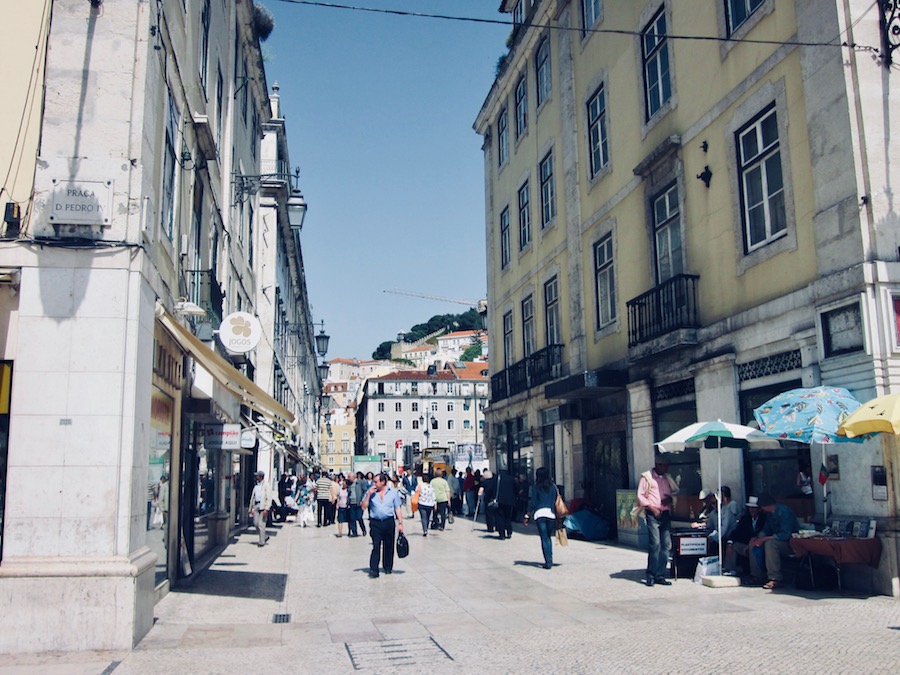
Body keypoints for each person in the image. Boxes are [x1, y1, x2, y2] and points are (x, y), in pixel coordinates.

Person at [636, 458, 679, 587]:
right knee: (655, 544)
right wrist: (653, 509)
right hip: (653, 513)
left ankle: (660, 575)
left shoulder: (667, 478)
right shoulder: (647, 477)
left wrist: (669, 500)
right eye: (664, 466)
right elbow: (640, 496)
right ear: (658, 465)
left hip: (665, 513)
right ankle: (651, 574)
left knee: (666, 545)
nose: (666, 468)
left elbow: (674, 492)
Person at [749, 492, 800, 589]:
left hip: (790, 543)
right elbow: (766, 529)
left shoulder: (784, 511)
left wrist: (764, 539)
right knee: (753, 542)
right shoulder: (769, 514)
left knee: (770, 544)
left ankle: (775, 578)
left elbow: (785, 534)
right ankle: (757, 575)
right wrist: (759, 537)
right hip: (776, 539)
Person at [360, 472, 404, 578]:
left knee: (389, 545)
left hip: (388, 521)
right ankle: (374, 569)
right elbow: (363, 507)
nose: (374, 484)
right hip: (375, 522)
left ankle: (388, 567)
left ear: (383, 482)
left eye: (376, 482)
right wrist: (368, 495)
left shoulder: (393, 493)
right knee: (376, 545)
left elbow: (397, 508)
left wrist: (400, 523)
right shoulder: (370, 492)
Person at [524, 466, 558, 569]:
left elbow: (533, 502)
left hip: (540, 514)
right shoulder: (553, 487)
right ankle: (550, 559)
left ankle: (548, 561)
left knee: (544, 538)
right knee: (548, 537)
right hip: (551, 514)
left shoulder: (536, 487)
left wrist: (527, 515)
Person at [724, 495, 767, 576]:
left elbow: (762, 534)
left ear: (759, 509)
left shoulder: (764, 519)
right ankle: (730, 569)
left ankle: (756, 575)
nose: (752, 510)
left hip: (759, 545)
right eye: (750, 508)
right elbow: (736, 532)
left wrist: (750, 545)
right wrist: (730, 543)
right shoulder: (745, 519)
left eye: (754, 508)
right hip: (745, 545)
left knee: (754, 547)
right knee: (732, 546)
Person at [480, 468, 516, 539]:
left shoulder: (495, 479)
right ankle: (509, 532)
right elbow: (516, 488)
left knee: (499, 517)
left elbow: (490, 489)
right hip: (509, 501)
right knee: (507, 517)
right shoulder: (511, 479)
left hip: (499, 501)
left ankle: (502, 534)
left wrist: (489, 497)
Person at [249, 470, 278, 547]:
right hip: (256, 505)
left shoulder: (266, 485)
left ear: (260, 477)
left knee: (261, 524)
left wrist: (266, 508)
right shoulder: (256, 486)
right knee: (256, 523)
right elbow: (253, 497)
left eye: (257, 476)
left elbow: (269, 497)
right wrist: (251, 508)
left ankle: (262, 541)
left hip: (263, 506)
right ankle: (265, 536)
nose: (256, 477)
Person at [348, 472, 367, 537]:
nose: (348, 478)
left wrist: (362, 500)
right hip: (352, 502)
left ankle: (363, 529)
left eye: (349, 477)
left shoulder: (360, 482)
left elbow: (365, 491)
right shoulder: (349, 484)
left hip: (359, 503)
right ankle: (354, 532)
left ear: (353, 477)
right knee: (352, 518)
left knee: (359, 517)